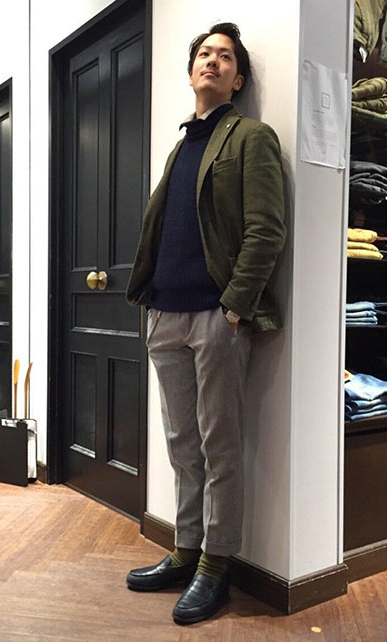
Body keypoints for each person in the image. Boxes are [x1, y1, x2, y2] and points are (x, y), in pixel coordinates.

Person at [125, 22, 286, 625]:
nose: (212, 61)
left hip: (216, 317)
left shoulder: (250, 137)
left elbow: (266, 229)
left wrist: (235, 307)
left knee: (219, 445)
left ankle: (216, 567)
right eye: (203, 53)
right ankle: (185, 550)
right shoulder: (181, 146)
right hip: (165, 314)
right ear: (191, 69)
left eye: (224, 56)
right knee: (181, 445)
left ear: (238, 79)